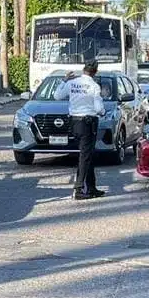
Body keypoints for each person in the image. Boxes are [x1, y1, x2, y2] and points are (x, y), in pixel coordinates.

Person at [54, 61, 106, 200]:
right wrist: (102, 111)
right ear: (95, 72)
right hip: (88, 123)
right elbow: (98, 108)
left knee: (87, 155)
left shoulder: (72, 83)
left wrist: (64, 80)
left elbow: (57, 96)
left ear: (84, 70)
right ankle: (78, 189)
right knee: (85, 156)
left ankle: (91, 187)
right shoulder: (94, 86)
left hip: (75, 122)